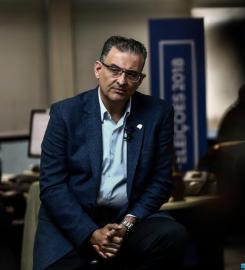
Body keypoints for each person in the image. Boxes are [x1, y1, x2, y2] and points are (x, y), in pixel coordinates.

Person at [33, 36, 187, 270]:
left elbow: (160, 181)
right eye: (114, 70)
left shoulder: (158, 113)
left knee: (172, 236)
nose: (122, 80)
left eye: (131, 74)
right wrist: (91, 233)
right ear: (98, 69)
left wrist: (127, 224)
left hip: (125, 222)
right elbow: (52, 186)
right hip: (72, 226)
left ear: (140, 79)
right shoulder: (65, 113)